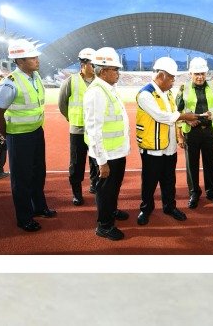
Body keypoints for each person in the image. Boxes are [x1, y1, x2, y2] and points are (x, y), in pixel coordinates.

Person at [0, 39, 57, 232]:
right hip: (19, 137)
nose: (37, 60)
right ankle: (24, 217)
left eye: (36, 56)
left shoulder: (35, 77)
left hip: (36, 132)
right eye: (32, 57)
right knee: (21, 179)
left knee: (38, 173)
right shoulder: (9, 83)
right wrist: (8, 135)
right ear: (19, 61)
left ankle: (39, 207)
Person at [134, 57, 197, 225]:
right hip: (152, 148)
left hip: (169, 147)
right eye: (171, 77)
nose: (173, 81)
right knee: (149, 181)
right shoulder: (145, 94)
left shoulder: (167, 93)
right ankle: (145, 209)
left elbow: (173, 115)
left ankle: (169, 206)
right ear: (161, 75)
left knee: (169, 180)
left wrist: (184, 120)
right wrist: (184, 116)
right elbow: (161, 116)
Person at [83, 47, 131, 241]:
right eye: (115, 69)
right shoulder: (97, 92)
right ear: (103, 71)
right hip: (107, 154)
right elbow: (94, 128)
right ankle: (104, 225)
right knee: (105, 189)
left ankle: (111, 211)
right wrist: (101, 161)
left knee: (114, 187)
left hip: (116, 150)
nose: (118, 73)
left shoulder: (108, 88)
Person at [175, 57, 213, 209]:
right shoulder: (184, 88)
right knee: (192, 166)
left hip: (210, 131)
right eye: (197, 73)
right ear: (190, 73)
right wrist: (179, 135)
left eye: (202, 73)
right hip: (192, 132)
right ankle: (194, 193)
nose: (200, 76)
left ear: (206, 73)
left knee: (210, 164)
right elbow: (177, 112)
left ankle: (212, 193)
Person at [56, 47, 102, 203]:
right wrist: (72, 118)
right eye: (92, 64)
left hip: (96, 130)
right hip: (78, 130)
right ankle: (76, 193)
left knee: (97, 161)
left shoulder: (100, 81)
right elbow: (62, 104)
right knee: (77, 163)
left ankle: (94, 185)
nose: (95, 67)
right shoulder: (71, 81)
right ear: (83, 63)